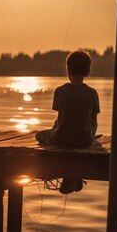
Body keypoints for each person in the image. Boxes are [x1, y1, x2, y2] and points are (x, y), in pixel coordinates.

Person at [35, 49, 100, 193]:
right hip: (85, 140)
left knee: (39, 135)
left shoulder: (60, 91)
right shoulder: (92, 93)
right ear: (88, 72)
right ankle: (72, 177)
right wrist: (91, 136)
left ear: (67, 70)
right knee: (83, 130)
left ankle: (70, 176)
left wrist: (56, 129)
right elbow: (94, 121)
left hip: (60, 139)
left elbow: (61, 118)